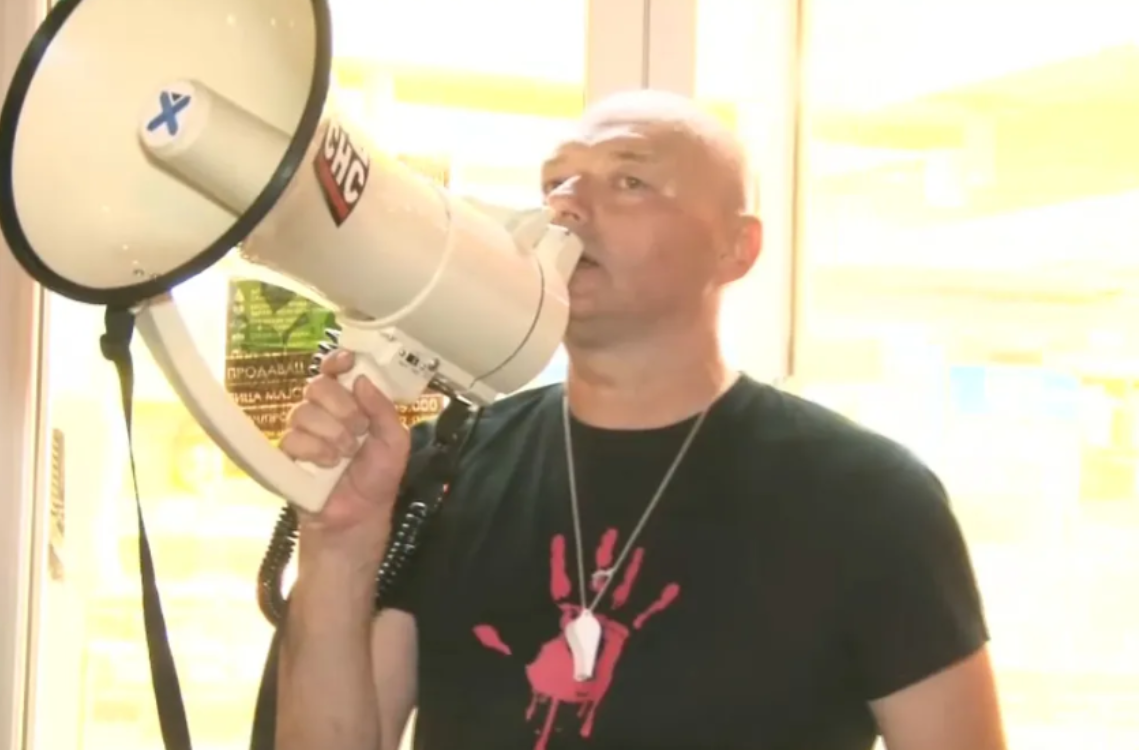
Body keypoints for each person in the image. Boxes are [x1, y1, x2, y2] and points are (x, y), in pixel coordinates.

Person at [274, 89, 1008, 750]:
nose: (566, 207)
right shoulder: (442, 469)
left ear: (737, 247)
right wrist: (337, 543)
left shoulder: (870, 500)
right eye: (555, 183)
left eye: (629, 181)